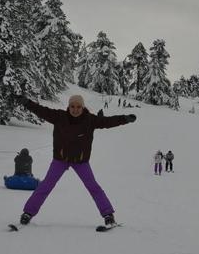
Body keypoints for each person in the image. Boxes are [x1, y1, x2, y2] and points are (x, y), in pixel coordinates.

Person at [14, 94, 136, 227]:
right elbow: (41, 110)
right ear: (68, 107)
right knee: (46, 185)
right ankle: (28, 213)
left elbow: (107, 122)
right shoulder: (59, 117)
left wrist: (124, 119)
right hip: (60, 160)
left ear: (83, 107)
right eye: (72, 106)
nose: (75, 109)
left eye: (78, 107)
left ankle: (108, 215)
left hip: (81, 162)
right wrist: (27, 103)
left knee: (93, 187)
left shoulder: (90, 120)